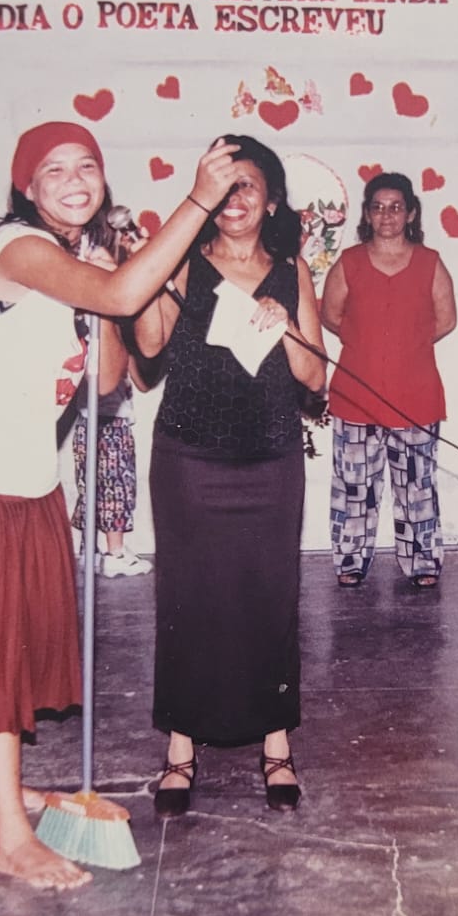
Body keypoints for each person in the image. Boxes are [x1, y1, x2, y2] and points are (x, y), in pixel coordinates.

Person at [0, 122, 240, 890]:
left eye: (88, 166)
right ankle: (10, 838)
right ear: (27, 188)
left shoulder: (73, 263)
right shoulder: (16, 247)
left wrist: (106, 278)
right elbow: (121, 294)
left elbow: (107, 382)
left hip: (21, 480)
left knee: (11, 641)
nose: (75, 180)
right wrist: (196, 201)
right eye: (54, 170)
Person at [131, 133, 327, 818]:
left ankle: (277, 744)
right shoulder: (183, 261)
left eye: (249, 185)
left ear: (271, 200)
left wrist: (288, 326)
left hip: (271, 458)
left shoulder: (292, 270)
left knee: (270, 598)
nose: (235, 197)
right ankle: (180, 750)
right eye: (225, 184)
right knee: (187, 599)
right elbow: (148, 345)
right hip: (189, 458)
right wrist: (149, 273)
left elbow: (315, 376)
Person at [321, 172, 458, 588]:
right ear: (367, 214)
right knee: (355, 486)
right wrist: (367, 345)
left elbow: (446, 320)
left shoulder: (430, 262)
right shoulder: (349, 263)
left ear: (410, 213)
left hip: (415, 395)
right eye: (378, 207)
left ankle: (422, 562)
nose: (387, 215)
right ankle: (350, 561)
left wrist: (404, 347)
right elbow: (330, 315)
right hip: (355, 394)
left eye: (395, 207)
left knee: (416, 486)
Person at [72, 370, 152, 577]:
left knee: (90, 488)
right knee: (116, 488)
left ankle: (90, 551)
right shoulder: (114, 351)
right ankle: (115, 554)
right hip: (111, 422)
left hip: (87, 421)